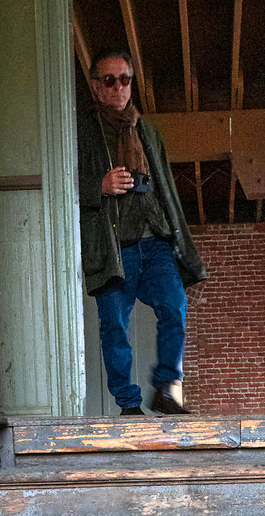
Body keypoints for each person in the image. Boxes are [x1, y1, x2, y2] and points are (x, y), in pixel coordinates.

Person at [77, 48, 207, 416]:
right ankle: (129, 404)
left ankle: (166, 387)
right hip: (113, 245)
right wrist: (99, 186)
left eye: (125, 79)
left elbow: (166, 186)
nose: (118, 87)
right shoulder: (84, 131)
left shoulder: (146, 129)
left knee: (174, 305)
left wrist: (175, 235)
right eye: (109, 80)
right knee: (114, 326)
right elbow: (61, 184)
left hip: (156, 239)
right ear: (95, 87)